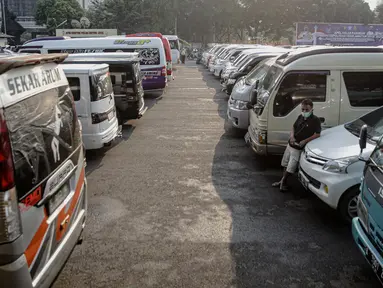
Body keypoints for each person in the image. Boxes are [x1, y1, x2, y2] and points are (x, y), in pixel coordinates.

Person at [272, 99, 321, 192]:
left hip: (298, 148)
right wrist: (291, 136)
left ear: (312, 109)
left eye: (307, 110)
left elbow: (317, 134)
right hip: (291, 144)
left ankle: (283, 182)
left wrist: (305, 141)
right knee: (285, 164)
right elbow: (293, 127)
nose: (304, 112)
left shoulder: (315, 120)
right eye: (302, 109)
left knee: (291, 167)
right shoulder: (300, 117)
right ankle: (282, 181)